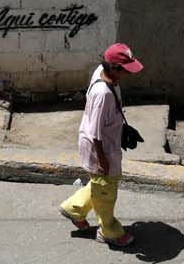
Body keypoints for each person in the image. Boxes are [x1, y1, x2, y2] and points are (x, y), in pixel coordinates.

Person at [58, 42, 143, 248]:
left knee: (100, 184)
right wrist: (102, 160)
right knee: (107, 191)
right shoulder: (102, 94)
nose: (128, 75)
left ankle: (74, 208)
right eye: (125, 70)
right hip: (101, 150)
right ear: (113, 68)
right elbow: (94, 132)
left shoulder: (102, 70)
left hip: (107, 145)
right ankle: (109, 231)